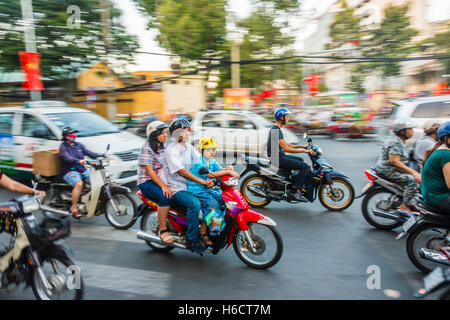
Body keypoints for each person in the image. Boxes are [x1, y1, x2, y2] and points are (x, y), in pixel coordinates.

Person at [159, 119, 214, 255]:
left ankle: (205, 231)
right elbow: (182, 172)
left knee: (214, 200)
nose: (188, 133)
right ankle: (192, 239)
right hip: (176, 188)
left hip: (190, 185)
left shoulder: (188, 146)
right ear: (177, 134)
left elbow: (201, 162)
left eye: (188, 130)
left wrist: (219, 171)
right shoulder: (171, 151)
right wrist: (202, 182)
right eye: (184, 131)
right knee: (194, 204)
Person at [188, 137, 239, 246]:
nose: (212, 152)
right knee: (213, 205)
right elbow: (210, 175)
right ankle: (207, 232)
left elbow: (219, 170)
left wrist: (227, 169)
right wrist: (228, 173)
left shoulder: (211, 160)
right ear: (202, 151)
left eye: (213, 149)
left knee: (224, 200)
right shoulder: (199, 163)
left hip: (208, 188)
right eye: (209, 150)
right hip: (198, 190)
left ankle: (220, 224)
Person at [374, 118, 421, 215]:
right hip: (388, 170)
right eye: (410, 129)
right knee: (412, 180)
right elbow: (394, 161)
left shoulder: (400, 140)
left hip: (392, 169)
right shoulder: (395, 142)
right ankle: (404, 206)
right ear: (402, 131)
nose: (412, 131)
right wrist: (413, 172)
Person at [267, 107, 315, 201]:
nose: (288, 118)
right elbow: (286, 148)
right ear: (281, 118)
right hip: (277, 158)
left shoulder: (276, 129)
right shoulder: (276, 130)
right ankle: (294, 190)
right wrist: (305, 151)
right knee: (305, 167)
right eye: (287, 116)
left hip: (279, 156)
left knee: (300, 160)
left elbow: (286, 145)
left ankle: (291, 181)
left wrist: (301, 146)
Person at [138, 121, 174, 244]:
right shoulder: (146, 148)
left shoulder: (163, 146)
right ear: (154, 135)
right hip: (147, 182)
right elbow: (150, 172)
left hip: (162, 178)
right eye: (162, 133)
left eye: (165, 133)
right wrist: (164, 186)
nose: (165, 135)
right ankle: (163, 229)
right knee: (165, 196)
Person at [59, 126, 102, 219]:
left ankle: (90, 201)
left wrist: (102, 155)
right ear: (66, 136)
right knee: (79, 183)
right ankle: (73, 207)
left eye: (75, 134)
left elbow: (90, 153)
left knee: (97, 182)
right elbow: (67, 157)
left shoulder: (78, 145)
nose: (74, 136)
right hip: (69, 171)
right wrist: (78, 161)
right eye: (71, 134)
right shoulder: (63, 147)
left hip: (81, 169)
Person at [421, 121, 450, 214]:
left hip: (431, 194)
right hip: (439, 198)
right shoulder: (445, 154)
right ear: (446, 138)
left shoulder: (441, 150)